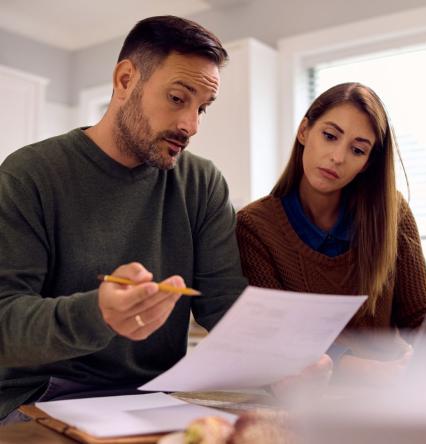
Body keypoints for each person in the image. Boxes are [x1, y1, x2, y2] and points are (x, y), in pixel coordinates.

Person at [0, 16, 247, 424]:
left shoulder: (202, 183)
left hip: (153, 400)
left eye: (202, 108)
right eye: (177, 98)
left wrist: (291, 361)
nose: (191, 125)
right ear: (125, 79)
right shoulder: (29, 175)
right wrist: (97, 314)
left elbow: (224, 305)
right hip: (38, 398)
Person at [236, 82, 426, 385]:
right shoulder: (254, 227)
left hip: (396, 390)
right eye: (329, 136)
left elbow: (419, 315)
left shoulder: (393, 214)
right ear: (304, 131)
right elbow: (274, 343)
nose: (338, 157)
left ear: (367, 163)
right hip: (312, 399)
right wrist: (358, 368)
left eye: (357, 150)